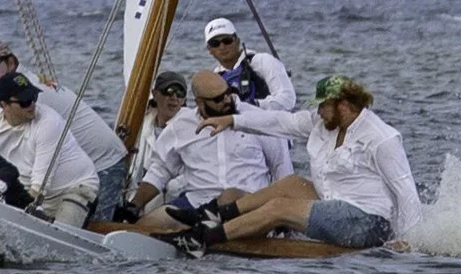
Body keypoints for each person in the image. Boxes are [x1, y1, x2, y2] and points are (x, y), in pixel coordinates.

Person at [173, 75, 423, 257]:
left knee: (279, 208)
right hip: (335, 204)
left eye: (324, 106)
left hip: (368, 223)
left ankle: (201, 240)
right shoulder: (323, 122)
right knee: (292, 184)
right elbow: (279, 122)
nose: (319, 111)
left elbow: (407, 194)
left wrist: (408, 243)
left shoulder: (382, 138)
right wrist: (231, 120)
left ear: (344, 105)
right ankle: (211, 215)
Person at [0, 38, 127, 220]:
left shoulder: (29, 98)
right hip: (65, 169)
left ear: (11, 63)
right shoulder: (10, 89)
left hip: (105, 163)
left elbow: (37, 175)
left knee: (95, 228)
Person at [119, 70, 287, 232]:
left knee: (229, 196)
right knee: (145, 226)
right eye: (218, 99)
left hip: (248, 203)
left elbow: (281, 168)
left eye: (228, 93)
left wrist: (283, 221)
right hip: (196, 204)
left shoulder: (256, 119)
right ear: (200, 102)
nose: (227, 100)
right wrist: (135, 205)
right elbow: (160, 170)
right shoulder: (181, 125)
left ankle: (197, 233)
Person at [0, 71, 100, 226]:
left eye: (33, 97)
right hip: (29, 187)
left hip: (76, 188)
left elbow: (38, 189)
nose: (31, 105)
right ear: (4, 105)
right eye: (24, 101)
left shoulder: (48, 124)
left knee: (60, 236)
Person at [203, 17, 295, 176]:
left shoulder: (262, 61)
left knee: (282, 185)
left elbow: (287, 99)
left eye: (227, 40)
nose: (222, 46)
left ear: (237, 41)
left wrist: (252, 106)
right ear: (209, 49)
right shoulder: (215, 78)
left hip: (271, 134)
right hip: (238, 143)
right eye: (215, 43)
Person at [121, 69, 189, 211]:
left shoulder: (191, 128)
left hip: (172, 197)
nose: (174, 97)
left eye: (180, 92)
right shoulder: (140, 125)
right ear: (155, 93)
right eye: (169, 91)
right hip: (137, 192)